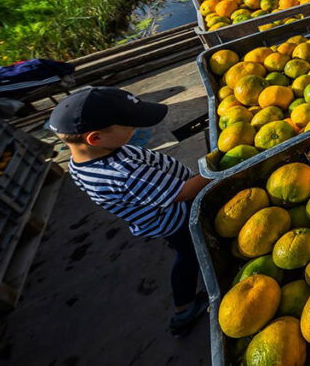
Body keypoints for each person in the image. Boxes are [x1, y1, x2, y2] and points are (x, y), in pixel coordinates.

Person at [49, 86, 212, 337]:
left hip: (165, 211)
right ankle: (184, 309)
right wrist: (216, 169)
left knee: (188, 257)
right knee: (191, 256)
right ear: (95, 138)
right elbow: (183, 193)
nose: (137, 129)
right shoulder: (122, 173)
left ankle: (185, 305)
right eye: (130, 126)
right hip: (178, 219)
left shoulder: (85, 159)